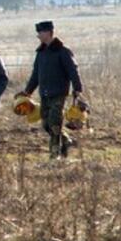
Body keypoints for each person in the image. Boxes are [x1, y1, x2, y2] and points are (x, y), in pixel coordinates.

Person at [16, 21, 85, 159]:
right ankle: (66, 140)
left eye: (40, 33)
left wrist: (77, 88)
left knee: (54, 124)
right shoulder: (41, 53)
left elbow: (73, 71)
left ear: (48, 33)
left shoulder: (63, 52)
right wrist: (28, 91)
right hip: (45, 94)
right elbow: (36, 74)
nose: (38, 36)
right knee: (46, 124)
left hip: (59, 94)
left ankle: (55, 155)